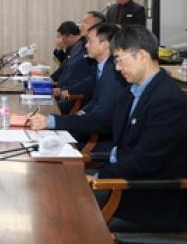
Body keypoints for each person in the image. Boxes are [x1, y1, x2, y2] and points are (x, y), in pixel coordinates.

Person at [30, 25, 187, 230]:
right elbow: (100, 120)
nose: (117, 68)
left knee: (61, 202)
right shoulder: (134, 89)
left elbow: (144, 162)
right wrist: (52, 121)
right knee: (51, 184)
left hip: (150, 195)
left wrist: (98, 177)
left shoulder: (167, 100)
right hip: (125, 179)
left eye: (119, 60)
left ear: (141, 56)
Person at [29, 22, 128, 149]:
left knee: (43, 141)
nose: (86, 45)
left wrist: (54, 121)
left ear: (104, 45)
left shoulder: (113, 74)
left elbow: (100, 117)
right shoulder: (103, 67)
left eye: (90, 41)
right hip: (88, 124)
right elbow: (95, 100)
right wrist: (81, 112)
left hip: (99, 139)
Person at [54, 12, 105, 113]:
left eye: (85, 22)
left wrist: (70, 90)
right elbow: (66, 68)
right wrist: (59, 86)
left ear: (97, 26)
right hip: (64, 93)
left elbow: (92, 79)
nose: (80, 26)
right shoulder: (79, 44)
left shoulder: (95, 51)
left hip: (77, 99)